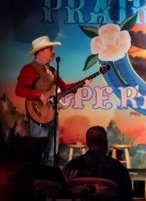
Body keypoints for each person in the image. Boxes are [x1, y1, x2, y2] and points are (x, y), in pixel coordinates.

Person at [15, 35, 89, 166]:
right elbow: (20, 90)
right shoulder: (30, 69)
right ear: (41, 52)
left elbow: (64, 88)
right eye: (51, 49)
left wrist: (81, 83)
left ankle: (49, 179)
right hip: (38, 114)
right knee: (38, 150)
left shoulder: (52, 71)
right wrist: (38, 95)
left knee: (51, 152)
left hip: (52, 113)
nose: (54, 52)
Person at [64, 126, 133, 201]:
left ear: (87, 143)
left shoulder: (72, 166)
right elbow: (127, 196)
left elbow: (63, 194)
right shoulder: (118, 168)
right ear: (106, 143)